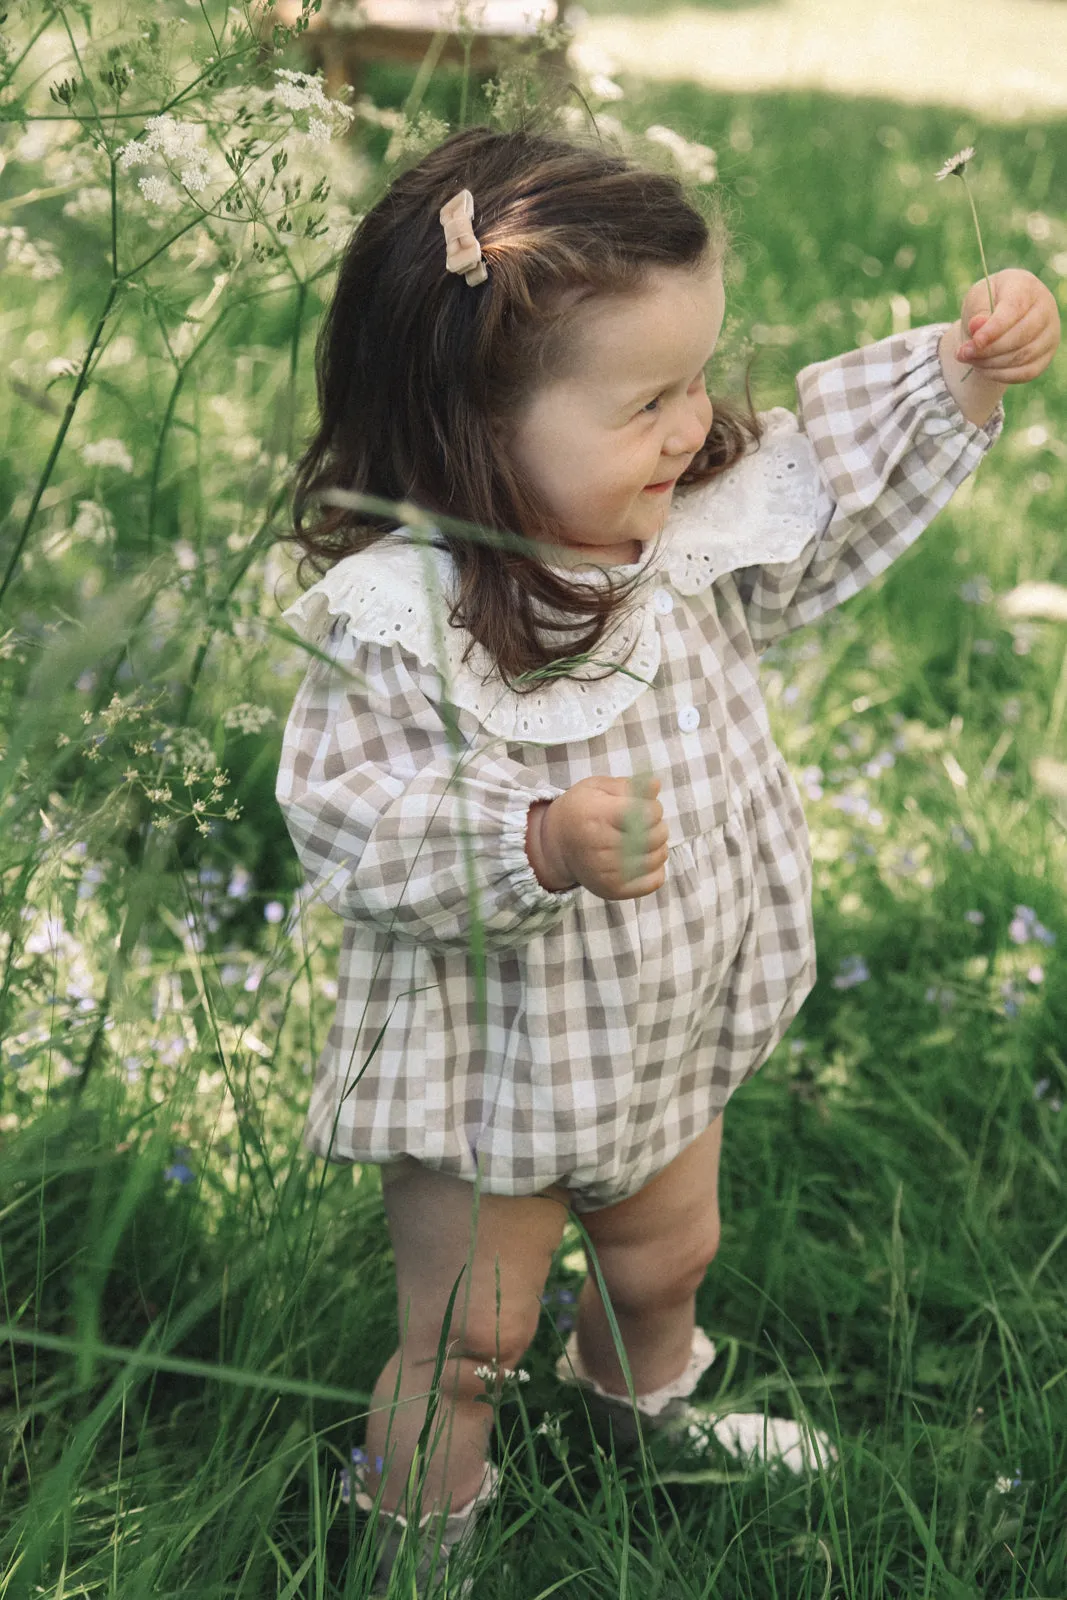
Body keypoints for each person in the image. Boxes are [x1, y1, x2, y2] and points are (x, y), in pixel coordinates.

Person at [276, 122, 1060, 1589]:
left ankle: (642, 1409)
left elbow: (823, 485)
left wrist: (959, 371)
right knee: (465, 1342)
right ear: (468, 426)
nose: (695, 425)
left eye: (697, 376)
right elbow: (345, 813)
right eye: (647, 399)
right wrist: (531, 840)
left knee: (663, 1262)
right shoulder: (405, 617)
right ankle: (411, 1534)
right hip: (486, 1061)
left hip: (661, 1025)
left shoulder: (680, 531)